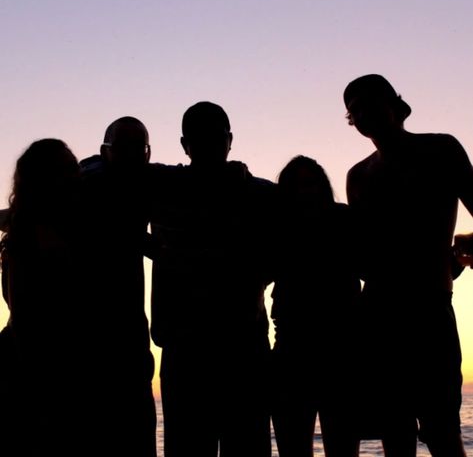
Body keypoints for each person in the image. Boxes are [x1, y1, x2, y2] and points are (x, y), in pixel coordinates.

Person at [344, 74, 473, 457]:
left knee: (442, 428)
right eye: (355, 110)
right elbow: (364, 254)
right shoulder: (359, 175)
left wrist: (459, 252)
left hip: (431, 308)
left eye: (371, 103)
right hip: (378, 314)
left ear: (398, 108)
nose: (364, 113)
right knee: (394, 430)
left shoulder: (441, 149)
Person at [148, 101, 275, 457]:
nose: (206, 145)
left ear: (229, 140)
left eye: (213, 137)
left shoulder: (261, 194)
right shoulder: (163, 185)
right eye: (199, 139)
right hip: (191, 349)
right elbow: (98, 170)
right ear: (185, 144)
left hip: (240, 349)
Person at [270, 155, 360, 457]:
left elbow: (373, 265)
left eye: (310, 184)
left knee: (343, 446)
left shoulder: (344, 220)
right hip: (291, 353)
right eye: (297, 186)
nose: (304, 191)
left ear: (322, 187)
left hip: (342, 354)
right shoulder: (279, 228)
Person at [79, 116, 157, 457]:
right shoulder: (85, 185)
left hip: (131, 343)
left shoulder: (145, 181)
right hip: (88, 342)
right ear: (105, 151)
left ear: (147, 153)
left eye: (138, 147)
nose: (131, 154)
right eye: (122, 146)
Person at [0, 139, 83, 457]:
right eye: (64, 171)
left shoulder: (56, 229)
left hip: (55, 368)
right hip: (36, 371)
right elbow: (23, 316)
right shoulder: (27, 237)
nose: (74, 178)